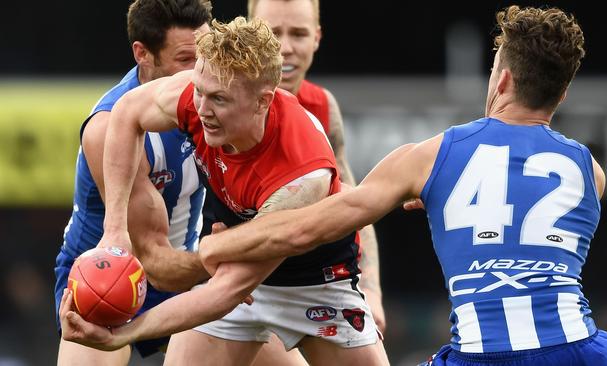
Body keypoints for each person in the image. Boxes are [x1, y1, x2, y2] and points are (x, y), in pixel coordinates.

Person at [189, 6, 607, 365]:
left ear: (503, 79)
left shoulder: (433, 156)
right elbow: (520, 210)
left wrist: (217, 248)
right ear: (562, 94)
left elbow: (306, 228)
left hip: (481, 356)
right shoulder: (590, 171)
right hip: (583, 351)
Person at [60, 16, 389, 366]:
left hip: (315, 283)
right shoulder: (198, 94)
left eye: (218, 99)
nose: (201, 109)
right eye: (199, 91)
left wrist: (124, 333)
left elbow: (228, 289)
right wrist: (115, 230)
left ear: (263, 101)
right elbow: (126, 113)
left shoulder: (302, 175)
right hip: (238, 275)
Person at [53, 1, 212, 364]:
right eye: (186, 59)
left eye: (207, 53)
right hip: (106, 276)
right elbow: (153, 258)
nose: (201, 72)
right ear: (143, 54)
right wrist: (229, 259)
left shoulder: (216, 99)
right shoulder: (108, 128)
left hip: (185, 267)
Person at [246, 0, 386, 334]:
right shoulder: (219, 103)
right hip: (234, 291)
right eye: (272, 33)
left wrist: (372, 288)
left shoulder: (323, 107)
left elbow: (352, 206)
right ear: (250, 32)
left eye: (298, 33)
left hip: (309, 290)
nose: (285, 48)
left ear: (317, 38)